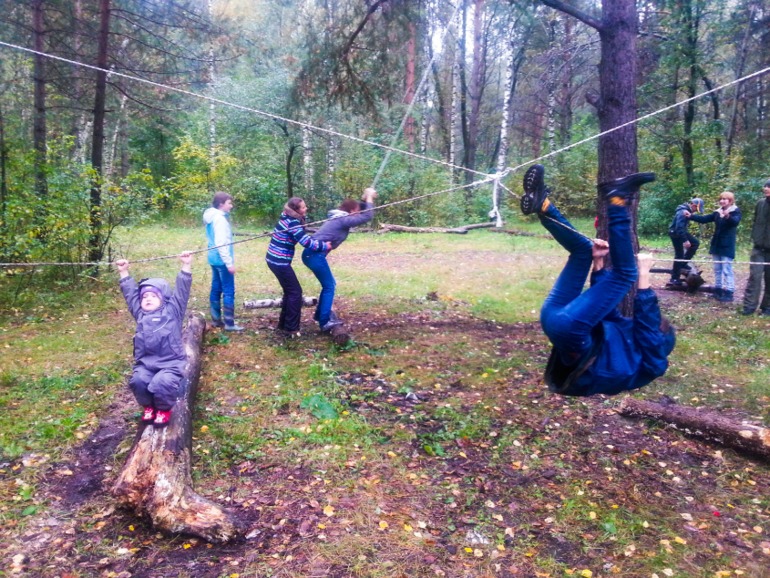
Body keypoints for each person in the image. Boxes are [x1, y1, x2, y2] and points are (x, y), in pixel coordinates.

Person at [520, 164, 675, 397]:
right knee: (583, 250)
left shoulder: (654, 357)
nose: (641, 324)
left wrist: (644, 273)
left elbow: (646, 321)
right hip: (554, 320)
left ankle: (618, 199)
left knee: (626, 274)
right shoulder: (628, 339)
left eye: (654, 328)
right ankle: (542, 205)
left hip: (572, 331)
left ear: (659, 337)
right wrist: (598, 263)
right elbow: (606, 309)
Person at [115, 252, 192, 427]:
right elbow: (130, 295)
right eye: (144, 297)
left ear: (163, 298)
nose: (148, 299)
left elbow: (182, 291)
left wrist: (186, 266)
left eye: (153, 296)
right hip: (146, 363)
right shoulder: (140, 314)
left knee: (162, 383)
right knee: (138, 381)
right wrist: (123, 272)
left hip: (171, 363)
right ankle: (149, 407)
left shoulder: (173, 312)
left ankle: (163, 409)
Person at [302, 187, 378, 331]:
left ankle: (320, 315)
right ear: (351, 211)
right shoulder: (343, 219)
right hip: (313, 255)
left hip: (312, 254)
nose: (359, 213)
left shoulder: (341, 217)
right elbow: (367, 216)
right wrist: (369, 197)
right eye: (357, 211)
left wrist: (365, 199)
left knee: (328, 285)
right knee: (329, 286)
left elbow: (363, 211)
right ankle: (324, 322)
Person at [265, 197, 331, 335]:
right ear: (296, 210)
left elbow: (302, 235)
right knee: (295, 293)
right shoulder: (292, 223)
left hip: (274, 260)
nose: (306, 208)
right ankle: (291, 329)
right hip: (279, 262)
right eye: (303, 207)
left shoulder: (287, 217)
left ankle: (283, 325)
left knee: (290, 292)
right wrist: (325, 246)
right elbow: (307, 242)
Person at [686, 191, 741, 302]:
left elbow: (735, 222)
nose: (722, 201)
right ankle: (718, 290)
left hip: (727, 246)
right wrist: (691, 216)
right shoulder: (717, 212)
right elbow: (705, 219)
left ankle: (729, 292)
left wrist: (728, 216)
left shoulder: (735, 211)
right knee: (717, 269)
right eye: (721, 199)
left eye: (724, 199)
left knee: (727, 270)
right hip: (716, 244)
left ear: (730, 201)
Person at [203, 191, 243, 331]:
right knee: (228, 290)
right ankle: (229, 323)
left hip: (213, 258)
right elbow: (221, 243)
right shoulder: (219, 219)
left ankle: (216, 320)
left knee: (216, 288)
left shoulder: (211, 216)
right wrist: (229, 263)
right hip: (221, 260)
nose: (231, 206)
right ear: (221, 204)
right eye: (229, 203)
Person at [742, 179, 770, 315]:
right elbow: (756, 221)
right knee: (755, 278)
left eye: (769, 187)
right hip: (758, 248)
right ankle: (749, 307)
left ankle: (767, 307)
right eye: (765, 186)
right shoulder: (760, 203)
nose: (766, 188)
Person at [668, 198, 703, 285]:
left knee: (695, 243)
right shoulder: (683, 211)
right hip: (676, 233)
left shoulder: (686, 210)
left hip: (679, 231)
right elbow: (679, 227)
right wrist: (685, 240)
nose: (695, 211)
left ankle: (683, 263)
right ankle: (674, 278)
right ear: (693, 205)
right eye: (696, 209)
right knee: (679, 254)